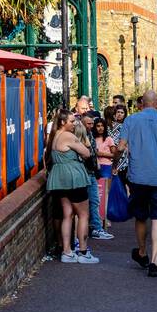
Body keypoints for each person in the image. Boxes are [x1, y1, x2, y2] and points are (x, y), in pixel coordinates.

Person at [118, 89, 157, 277]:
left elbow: (120, 147)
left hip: (138, 176)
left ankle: (142, 252)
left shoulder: (130, 120)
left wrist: (115, 164)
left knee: (140, 216)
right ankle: (154, 262)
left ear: (141, 104)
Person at [47, 111, 99, 264]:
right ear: (63, 122)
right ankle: (83, 252)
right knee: (83, 215)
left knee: (67, 214)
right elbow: (87, 153)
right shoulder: (68, 136)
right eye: (71, 121)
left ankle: (67, 252)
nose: (75, 123)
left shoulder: (55, 135)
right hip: (74, 178)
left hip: (60, 179)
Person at [72, 95, 110, 241]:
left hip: (91, 172)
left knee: (94, 201)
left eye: (91, 124)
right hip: (83, 173)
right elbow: (86, 153)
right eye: (88, 124)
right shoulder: (79, 135)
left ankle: (96, 228)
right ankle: (88, 232)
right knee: (84, 205)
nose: (91, 126)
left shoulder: (90, 134)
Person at [92, 116, 115, 230]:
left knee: (105, 194)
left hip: (106, 166)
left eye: (102, 126)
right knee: (96, 193)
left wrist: (100, 154)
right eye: (98, 126)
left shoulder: (109, 139)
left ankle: (105, 218)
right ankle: (96, 218)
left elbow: (114, 154)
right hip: (95, 167)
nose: (100, 128)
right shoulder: (92, 138)